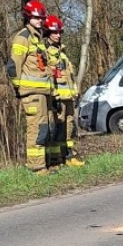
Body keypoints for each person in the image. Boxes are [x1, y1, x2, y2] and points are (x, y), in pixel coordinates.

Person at [8, 0, 57, 173]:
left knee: (45, 128)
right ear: (29, 17)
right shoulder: (23, 37)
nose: (40, 21)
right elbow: (14, 66)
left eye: (42, 18)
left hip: (42, 92)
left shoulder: (38, 39)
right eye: (36, 18)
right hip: (31, 94)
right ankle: (36, 167)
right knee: (36, 129)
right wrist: (18, 88)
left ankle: (44, 163)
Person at [43, 15, 84, 167]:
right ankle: (56, 160)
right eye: (55, 32)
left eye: (60, 32)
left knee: (69, 128)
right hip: (58, 98)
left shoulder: (63, 54)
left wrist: (75, 92)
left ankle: (68, 156)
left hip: (69, 98)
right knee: (58, 129)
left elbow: (70, 77)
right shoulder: (46, 53)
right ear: (47, 32)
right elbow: (48, 77)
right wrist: (54, 97)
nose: (58, 35)